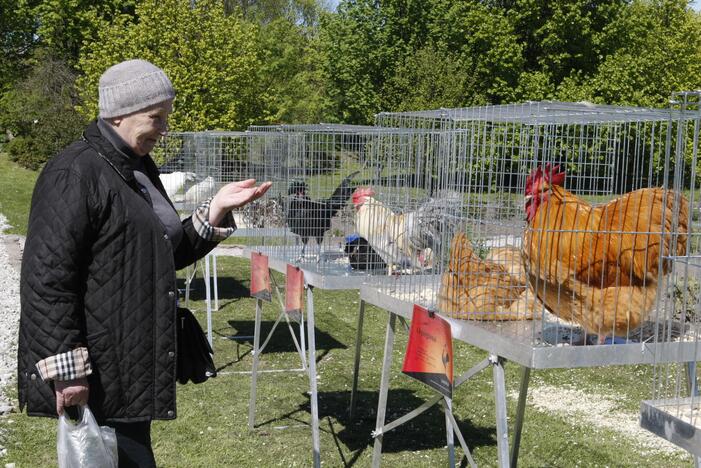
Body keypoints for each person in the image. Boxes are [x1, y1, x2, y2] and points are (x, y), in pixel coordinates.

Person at [17, 59, 271, 467]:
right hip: (99, 369)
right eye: (156, 117)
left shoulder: (135, 169)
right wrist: (67, 371)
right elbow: (47, 280)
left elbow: (158, 255)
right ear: (118, 112)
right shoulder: (74, 172)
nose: (164, 129)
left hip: (129, 364)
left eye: (166, 117)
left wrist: (218, 207)